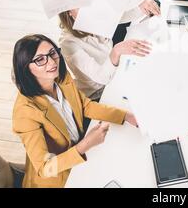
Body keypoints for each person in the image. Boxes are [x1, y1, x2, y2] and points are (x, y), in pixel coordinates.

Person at [12, 34, 138, 187]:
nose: (51, 62)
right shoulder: (25, 113)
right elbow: (46, 168)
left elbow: (85, 106)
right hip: (59, 180)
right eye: (40, 59)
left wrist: (125, 115)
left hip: (80, 158)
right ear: (26, 68)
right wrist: (86, 144)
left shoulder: (60, 78)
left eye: (52, 53)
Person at [56, 0, 151, 102]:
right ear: (69, 12)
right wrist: (116, 51)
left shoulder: (94, 19)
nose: (87, 8)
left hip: (115, 78)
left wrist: (143, 4)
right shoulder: (68, 43)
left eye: (88, 2)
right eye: (79, 5)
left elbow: (127, 15)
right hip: (97, 95)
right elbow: (102, 77)